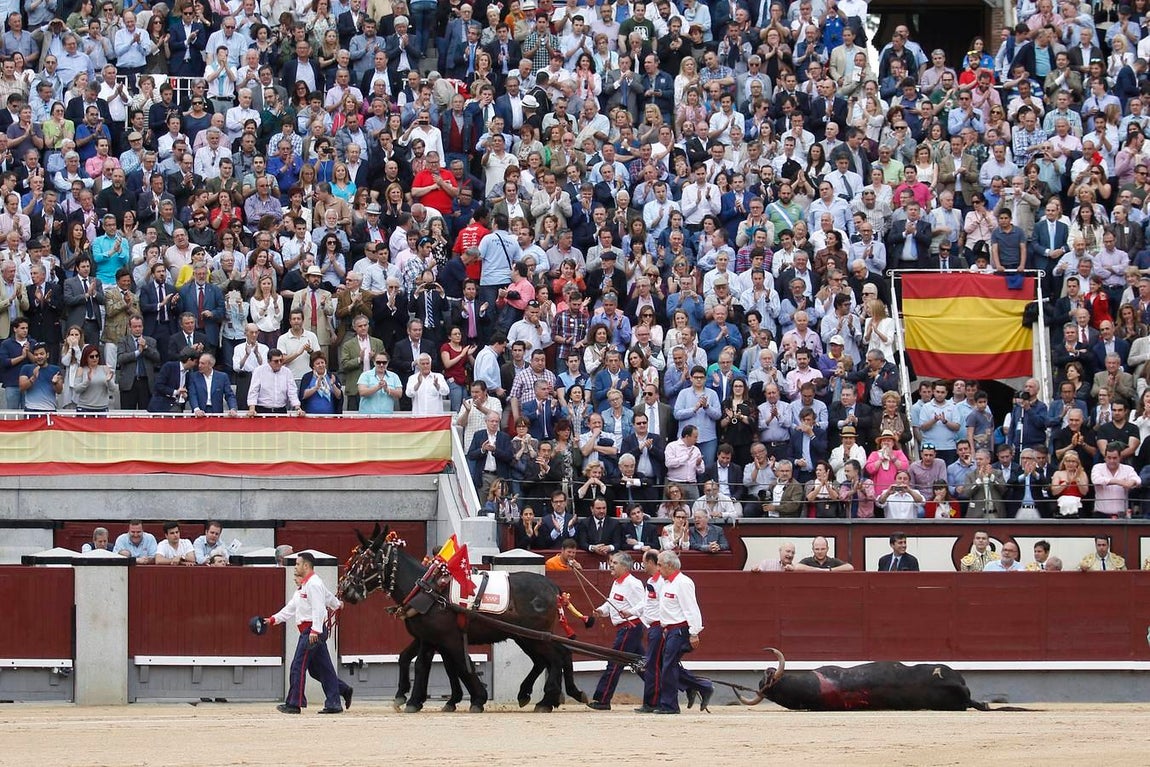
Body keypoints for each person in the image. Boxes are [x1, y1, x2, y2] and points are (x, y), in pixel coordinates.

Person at [262, 552, 354, 714]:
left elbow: (319, 608)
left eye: (297, 564)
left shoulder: (313, 584)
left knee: (298, 666)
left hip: (311, 631)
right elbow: (294, 607)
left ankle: (294, 703)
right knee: (320, 670)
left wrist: (315, 630)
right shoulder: (307, 585)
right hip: (311, 630)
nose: (295, 567)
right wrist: (273, 619)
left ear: (306, 566)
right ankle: (338, 696)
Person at [646, 550, 712, 715]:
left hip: (680, 631)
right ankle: (702, 686)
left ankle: (670, 705)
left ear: (669, 565)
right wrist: (664, 628)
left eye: (660, 565)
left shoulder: (683, 583)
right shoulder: (667, 583)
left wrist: (694, 632)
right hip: (670, 630)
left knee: (668, 666)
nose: (658, 569)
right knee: (668, 665)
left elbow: (691, 609)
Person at [586, 552, 646, 711]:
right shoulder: (618, 583)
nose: (611, 565)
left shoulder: (633, 583)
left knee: (614, 662)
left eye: (615, 563)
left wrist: (630, 612)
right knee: (640, 664)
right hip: (625, 629)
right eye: (611, 562)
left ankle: (603, 700)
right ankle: (660, 691)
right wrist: (601, 610)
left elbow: (644, 604)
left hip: (630, 627)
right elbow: (611, 603)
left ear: (625, 566)